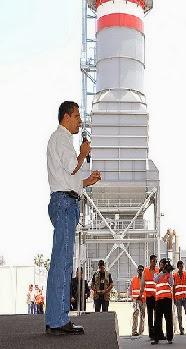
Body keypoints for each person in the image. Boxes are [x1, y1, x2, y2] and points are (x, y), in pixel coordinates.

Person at [45, 101, 101, 335]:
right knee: (63, 263)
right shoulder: (63, 138)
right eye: (77, 116)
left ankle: (54, 319)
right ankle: (58, 321)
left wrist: (87, 182)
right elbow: (71, 167)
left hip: (63, 200)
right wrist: (83, 153)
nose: (80, 121)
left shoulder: (57, 139)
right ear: (66, 117)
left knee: (60, 262)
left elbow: (69, 178)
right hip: (65, 204)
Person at [140, 255, 164, 340]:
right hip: (149, 297)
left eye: (156, 261)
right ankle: (151, 334)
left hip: (157, 297)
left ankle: (159, 333)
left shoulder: (158, 270)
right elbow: (142, 283)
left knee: (158, 316)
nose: (155, 263)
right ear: (150, 261)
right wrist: (141, 294)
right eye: (153, 261)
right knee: (150, 316)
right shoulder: (145, 271)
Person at [151, 258, 174, 345]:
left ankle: (169, 338)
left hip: (167, 298)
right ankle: (156, 338)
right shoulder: (157, 273)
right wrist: (162, 272)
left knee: (168, 319)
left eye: (161, 264)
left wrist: (169, 273)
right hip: (159, 299)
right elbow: (155, 280)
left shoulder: (168, 274)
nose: (160, 265)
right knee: (157, 319)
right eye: (160, 264)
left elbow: (171, 283)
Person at [129, 265, 146, 336]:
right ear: (137, 271)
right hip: (136, 299)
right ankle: (134, 331)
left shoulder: (145, 280)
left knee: (142, 316)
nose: (140, 271)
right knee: (135, 314)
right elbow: (130, 289)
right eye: (139, 270)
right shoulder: (134, 279)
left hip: (143, 300)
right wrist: (132, 298)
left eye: (142, 270)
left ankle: (141, 331)